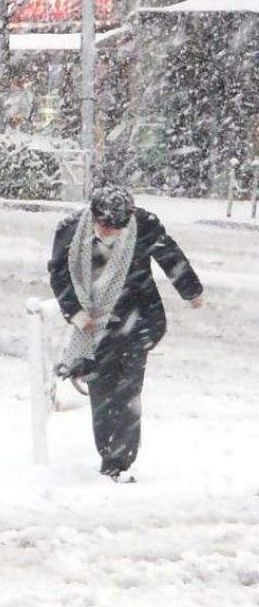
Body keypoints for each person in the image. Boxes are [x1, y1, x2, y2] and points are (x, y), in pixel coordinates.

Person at [48, 184, 204, 484]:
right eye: (105, 226)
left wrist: (191, 291)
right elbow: (58, 272)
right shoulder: (70, 230)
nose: (110, 233)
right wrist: (77, 313)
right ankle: (108, 454)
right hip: (94, 324)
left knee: (128, 391)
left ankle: (120, 461)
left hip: (137, 318)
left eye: (117, 227)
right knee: (102, 391)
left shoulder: (142, 224)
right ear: (93, 215)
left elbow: (169, 255)